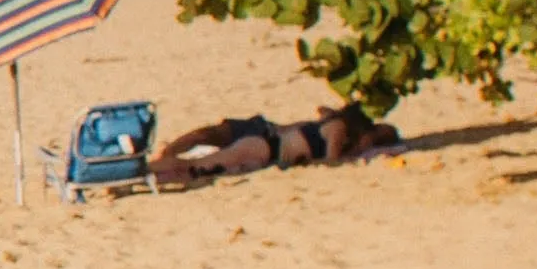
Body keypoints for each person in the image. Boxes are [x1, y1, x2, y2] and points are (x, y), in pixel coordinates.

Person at [155, 100, 400, 187]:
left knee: (201, 166)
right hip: (264, 146)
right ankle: (150, 168)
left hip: (265, 147)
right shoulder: (338, 129)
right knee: (199, 165)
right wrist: (358, 154)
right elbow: (331, 160)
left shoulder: (332, 125)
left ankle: (152, 170)